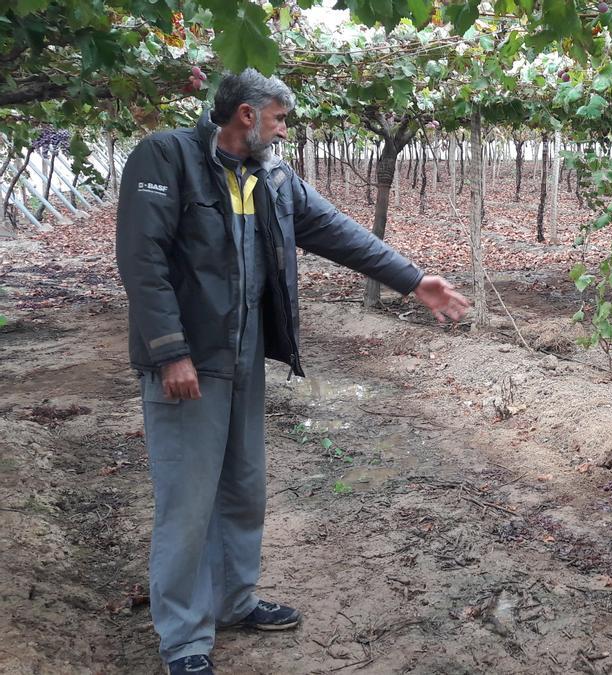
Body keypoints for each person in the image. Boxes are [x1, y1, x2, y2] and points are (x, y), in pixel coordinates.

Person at [115, 69, 469, 675]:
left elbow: (336, 231)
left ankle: (234, 600)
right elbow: (141, 261)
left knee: (243, 488)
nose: (284, 130)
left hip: (244, 357)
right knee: (188, 502)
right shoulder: (166, 156)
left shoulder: (273, 175)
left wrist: (413, 281)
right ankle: (185, 637)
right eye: (279, 118)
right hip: (189, 362)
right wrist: (171, 351)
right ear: (248, 115)